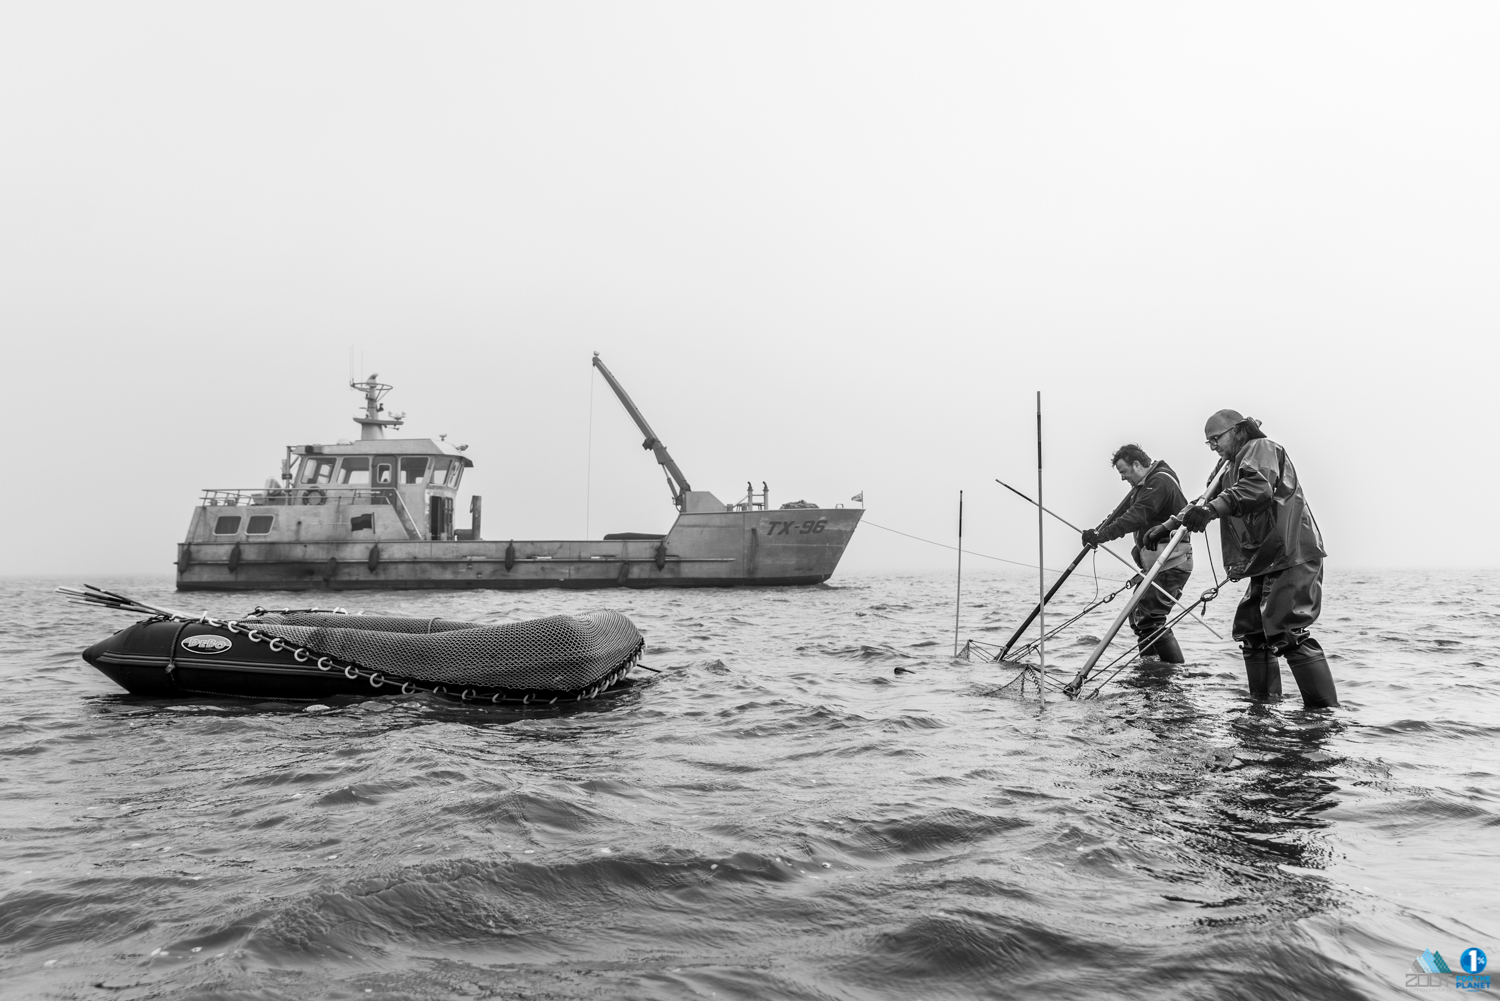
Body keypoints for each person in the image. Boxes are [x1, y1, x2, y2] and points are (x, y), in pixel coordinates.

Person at [1150, 410, 1338, 709]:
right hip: (1264, 559)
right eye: (1208, 442)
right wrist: (1170, 525)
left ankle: (1323, 715)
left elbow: (1256, 488)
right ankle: (1262, 706)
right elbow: (1204, 501)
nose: (1213, 446)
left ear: (1237, 431)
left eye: (1216, 438)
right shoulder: (1230, 466)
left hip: (1291, 552)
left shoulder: (1261, 449)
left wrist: (1212, 511)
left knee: (1287, 630)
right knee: (1252, 631)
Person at [1082, 444, 1193, 664]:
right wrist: (1097, 531)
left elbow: (1135, 516)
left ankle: (1172, 672)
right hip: (1156, 564)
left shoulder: (1159, 482)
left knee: (1151, 620)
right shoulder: (1145, 486)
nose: (1123, 478)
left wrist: (1103, 536)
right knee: (1139, 619)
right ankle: (1150, 669)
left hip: (1171, 562)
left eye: (1123, 472)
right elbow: (1121, 513)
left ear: (1136, 464)